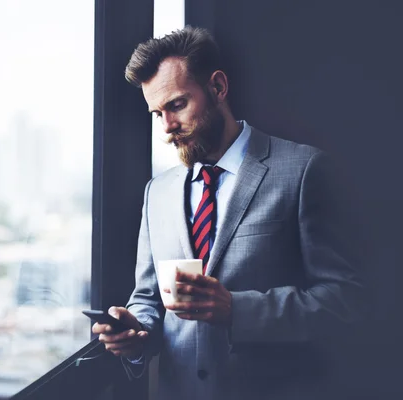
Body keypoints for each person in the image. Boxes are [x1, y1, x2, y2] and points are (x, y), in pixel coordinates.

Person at [92, 26, 364, 400]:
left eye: (177, 105)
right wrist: (134, 331)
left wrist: (237, 309)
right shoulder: (158, 192)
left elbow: (344, 301)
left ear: (218, 88)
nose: (167, 128)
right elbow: (149, 298)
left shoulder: (304, 170)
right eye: (157, 114)